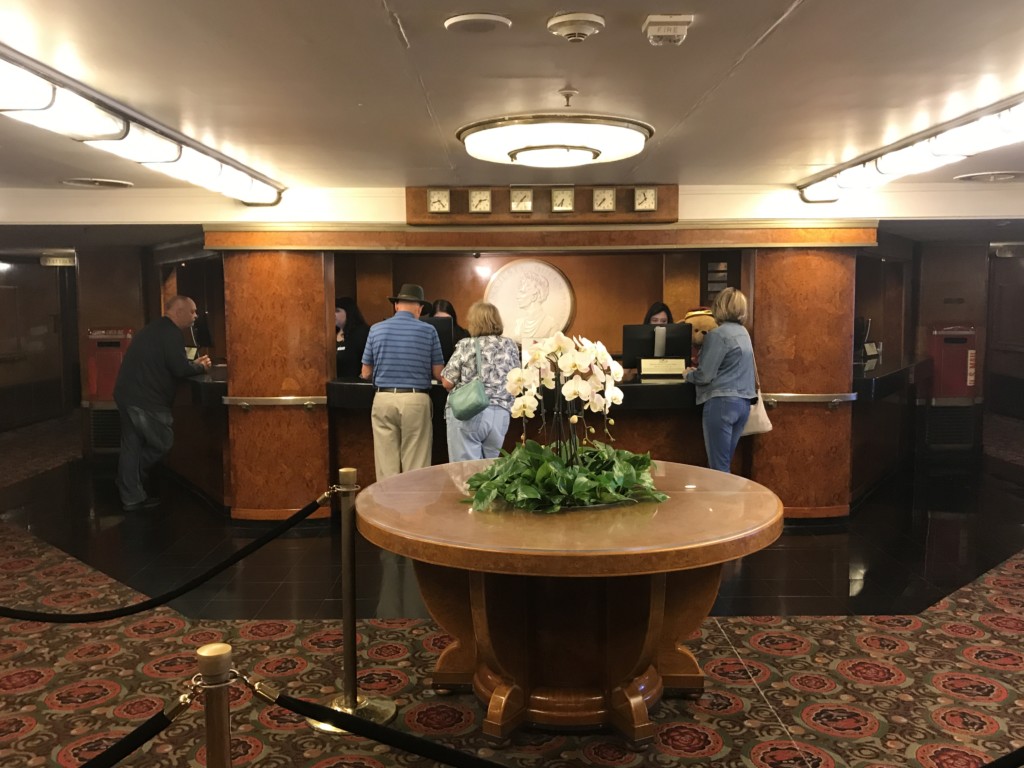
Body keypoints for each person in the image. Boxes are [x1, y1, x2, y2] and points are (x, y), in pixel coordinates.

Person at [113, 295, 212, 511]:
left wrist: (190, 364)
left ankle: (131, 495)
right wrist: (200, 367)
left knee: (132, 445)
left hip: (127, 395)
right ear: (179, 311)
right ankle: (130, 480)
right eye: (193, 311)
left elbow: (170, 362)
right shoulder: (171, 333)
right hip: (146, 400)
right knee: (163, 442)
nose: (196, 316)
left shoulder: (155, 329)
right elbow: (179, 369)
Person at [360, 283, 444, 480]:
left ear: (396, 305)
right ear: (419, 308)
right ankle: (412, 509)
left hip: (383, 398)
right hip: (416, 399)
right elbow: (439, 372)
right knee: (416, 466)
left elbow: (365, 372)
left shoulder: (376, 329)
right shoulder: (429, 331)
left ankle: (387, 510)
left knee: (385, 463)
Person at [683, 288, 756, 473]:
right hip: (743, 405)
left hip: (721, 403)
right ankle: (729, 502)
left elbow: (704, 375)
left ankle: (722, 502)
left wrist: (687, 374)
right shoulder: (743, 333)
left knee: (718, 468)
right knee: (724, 463)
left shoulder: (718, 335)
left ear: (719, 306)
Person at [440, 302, 521, 461]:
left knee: (465, 472)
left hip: (470, 411)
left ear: (474, 322)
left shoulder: (466, 344)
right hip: (501, 414)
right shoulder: (510, 346)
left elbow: (447, 382)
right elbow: (516, 378)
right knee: (489, 471)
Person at [511, 271, 558, 341]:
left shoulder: (550, 324)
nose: (517, 297)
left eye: (522, 292)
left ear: (534, 296)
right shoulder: (519, 323)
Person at [334, 296, 369, 379]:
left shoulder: (362, 333)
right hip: (334, 386)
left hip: (354, 386)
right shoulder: (330, 334)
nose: (333, 314)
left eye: (337, 311)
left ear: (349, 312)